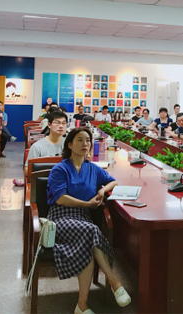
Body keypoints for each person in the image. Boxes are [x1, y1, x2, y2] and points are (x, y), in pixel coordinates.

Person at [46, 128, 131, 313]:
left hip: (82, 219)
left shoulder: (92, 168)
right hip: (61, 217)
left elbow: (113, 181)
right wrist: (87, 204)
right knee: (91, 231)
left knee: (87, 242)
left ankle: (82, 305)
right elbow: (60, 198)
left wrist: (102, 190)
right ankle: (115, 283)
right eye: (80, 140)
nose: (85, 144)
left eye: (88, 140)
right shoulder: (60, 169)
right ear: (70, 144)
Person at [22, 111, 68, 178]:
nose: (61, 126)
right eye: (57, 123)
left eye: (64, 123)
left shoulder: (70, 145)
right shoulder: (37, 147)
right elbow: (27, 170)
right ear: (49, 125)